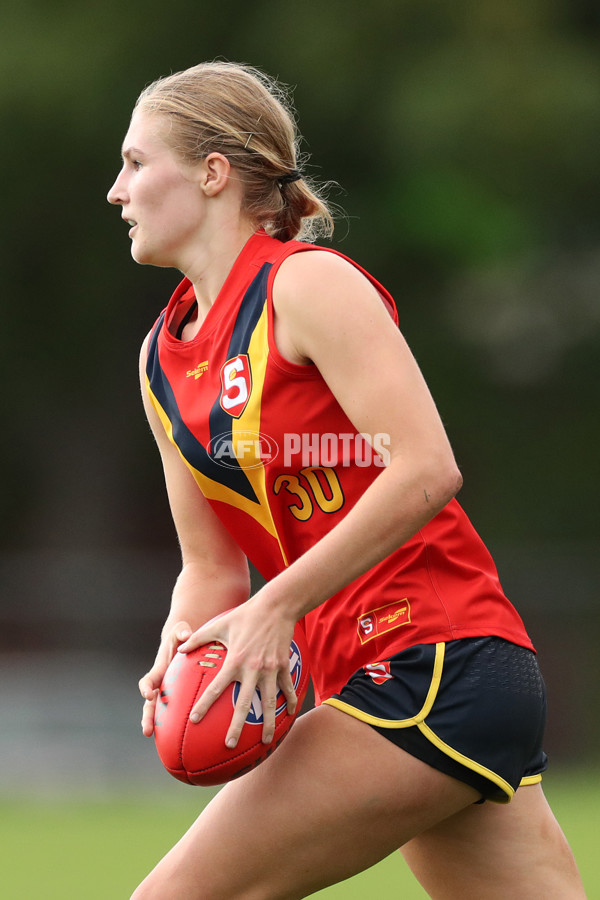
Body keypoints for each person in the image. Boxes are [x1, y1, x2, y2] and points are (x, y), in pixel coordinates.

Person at [107, 61, 585, 899]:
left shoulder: (307, 284)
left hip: (435, 661)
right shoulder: (161, 358)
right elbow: (211, 568)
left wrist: (276, 607)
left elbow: (427, 468)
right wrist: (186, 643)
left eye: (137, 162)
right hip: (379, 678)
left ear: (213, 174)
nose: (118, 190)